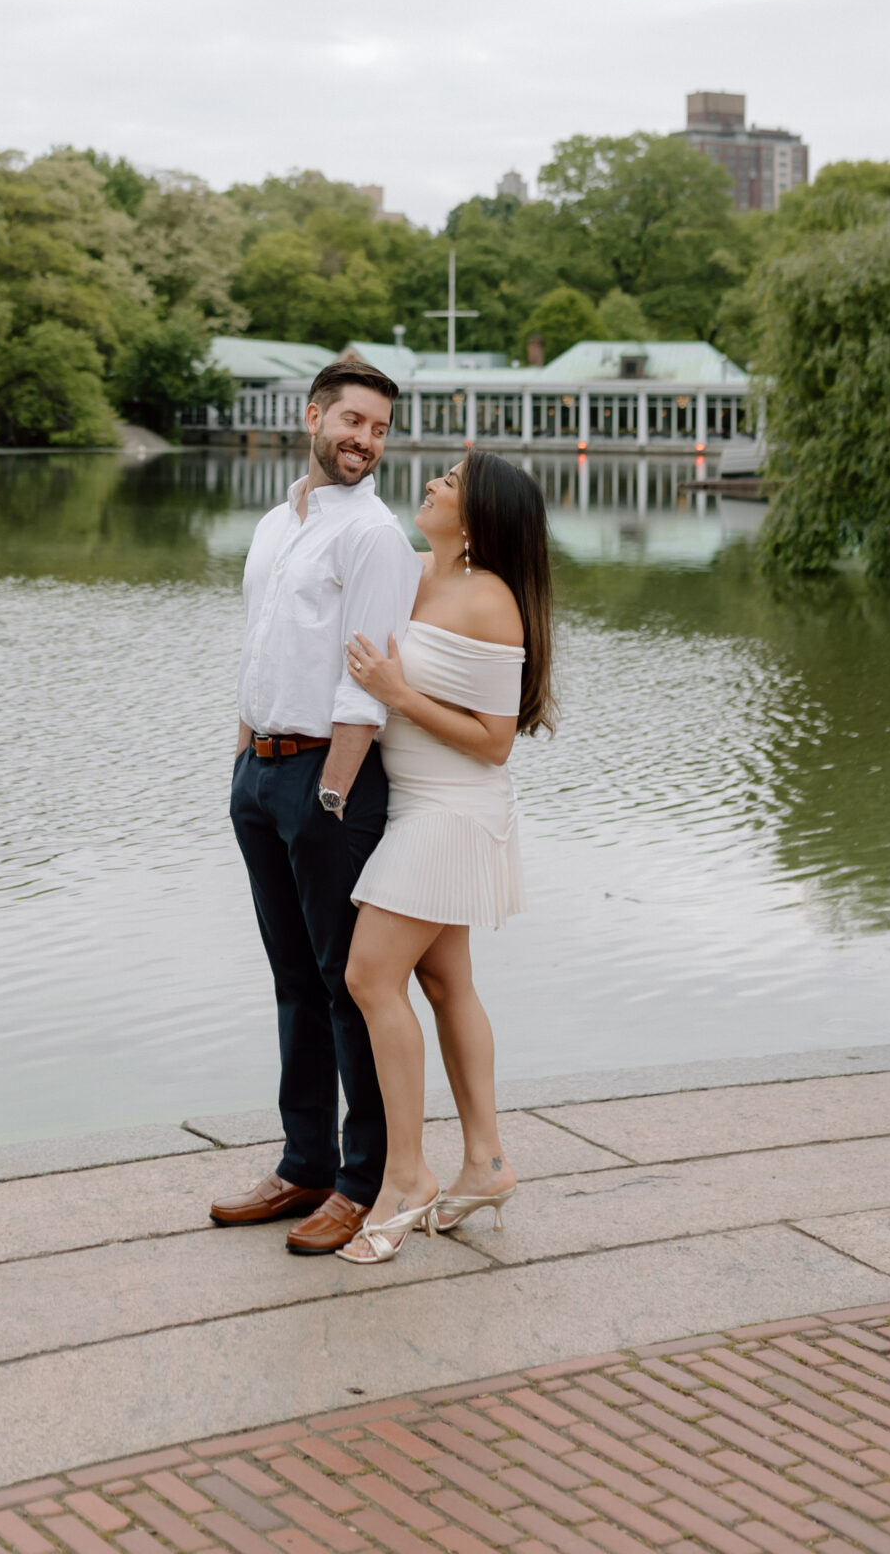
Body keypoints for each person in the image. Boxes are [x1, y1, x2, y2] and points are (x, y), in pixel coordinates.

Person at [209, 359, 423, 1254]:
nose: (364, 442)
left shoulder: (373, 536)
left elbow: (362, 685)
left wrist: (330, 790)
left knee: (346, 985)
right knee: (291, 979)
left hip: (328, 782)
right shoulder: (271, 525)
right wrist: (242, 765)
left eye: (377, 429)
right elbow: (264, 647)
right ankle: (302, 1163)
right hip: (259, 773)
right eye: (352, 422)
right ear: (313, 416)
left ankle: (360, 1181)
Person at [336, 448, 555, 1264]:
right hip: (412, 803)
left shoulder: (490, 598)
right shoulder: (418, 573)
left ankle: (405, 1177)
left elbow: (494, 744)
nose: (432, 481)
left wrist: (398, 695)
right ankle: (487, 1162)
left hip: (452, 811)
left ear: (479, 517)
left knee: (369, 977)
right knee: (444, 978)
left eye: (452, 482)